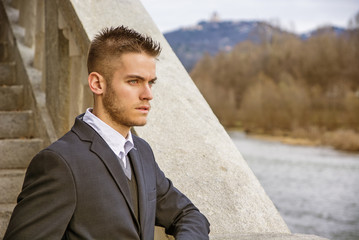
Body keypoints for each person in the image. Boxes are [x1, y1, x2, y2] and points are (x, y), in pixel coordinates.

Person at [4, 26, 210, 240]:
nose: (148, 94)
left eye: (150, 83)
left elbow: (188, 215)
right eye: (134, 81)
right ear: (97, 83)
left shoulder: (142, 151)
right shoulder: (60, 163)